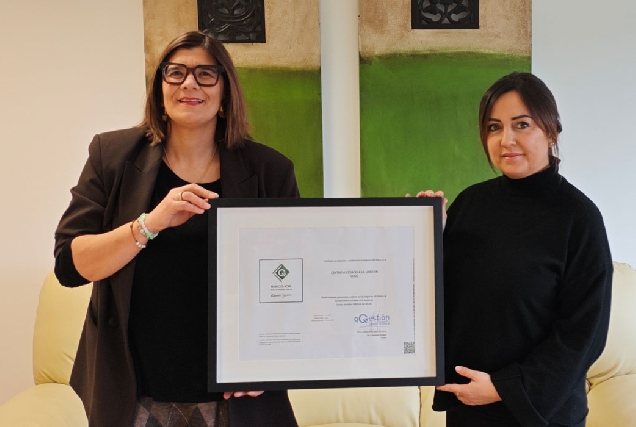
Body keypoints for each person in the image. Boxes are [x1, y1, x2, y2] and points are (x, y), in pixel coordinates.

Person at [54, 31, 299, 427]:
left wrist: (269, 363)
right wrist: (151, 223)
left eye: (206, 74)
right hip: (134, 394)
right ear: (160, 89)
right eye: (176, 72)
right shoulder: (111, 156)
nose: (189, 83)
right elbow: (69, 265)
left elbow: (298, 283)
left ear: (225, 93)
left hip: (237, 397)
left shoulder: (270, 170)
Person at [417, 72, 612, 426]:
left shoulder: (579, 217)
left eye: (522, 124)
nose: (506, 139)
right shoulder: (470, 203)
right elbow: (445, 296)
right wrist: (428, 236)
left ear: (551, 132)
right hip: (468, 406)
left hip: (541, 411)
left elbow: (584, 331)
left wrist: (504, 388)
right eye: (494, 127)